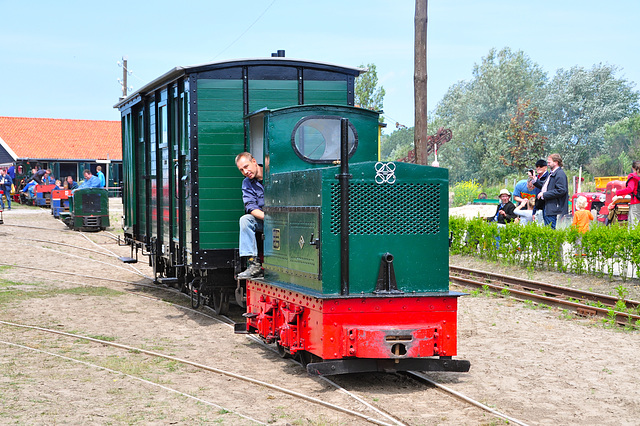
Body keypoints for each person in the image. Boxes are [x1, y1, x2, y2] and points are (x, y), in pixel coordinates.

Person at [235, 152, 264, 279]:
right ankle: (253, 264)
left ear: (254, 161)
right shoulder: (247, 183)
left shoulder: (273, 172)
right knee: (245, 220)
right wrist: (268, 218)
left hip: (285, 217)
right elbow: (251, 207)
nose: (245, 171)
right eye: (241, 170)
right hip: (265, 219)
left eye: (246, 167)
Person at [536, 154, 568, 229]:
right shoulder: (552, 173)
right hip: (548, 206)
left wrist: (544, 194)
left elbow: (561, 190)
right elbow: (546, 187)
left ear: (556, 162)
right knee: (547, 229)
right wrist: (535, 181)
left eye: (549, 162)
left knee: (550, 230)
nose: (548, 163)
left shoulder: (560, 174)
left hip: (553, 207)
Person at [612, 160, 640, 229]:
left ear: (632, 168)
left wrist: (617, 192)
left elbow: (630, 189)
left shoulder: (632, 176)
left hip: (636, 202)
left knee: (633, 223)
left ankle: (632, 239)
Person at [528, 159, 549, 225]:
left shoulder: (549, 177)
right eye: (537, 166)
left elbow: (543, 187)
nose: (538, 168)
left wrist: (534, 179)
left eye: (540, 166)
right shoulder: (537, 177)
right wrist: (534, 211)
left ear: (545, 167)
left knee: (548, 227)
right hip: (539, 206)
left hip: (547, 207)